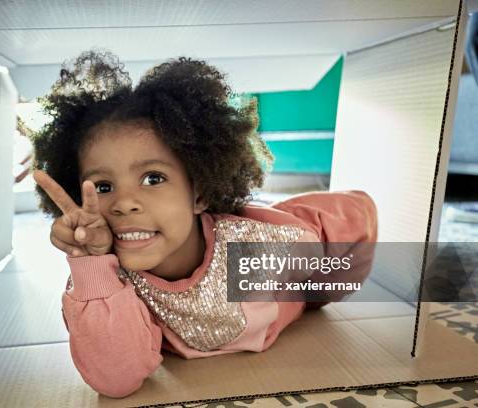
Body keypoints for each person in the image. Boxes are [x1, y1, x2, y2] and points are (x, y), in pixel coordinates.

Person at [31, 50, 378, 398]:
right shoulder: (104, 284)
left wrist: (321, 293)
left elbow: (356, 216)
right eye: (103, 187)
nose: (123, 203)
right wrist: (88, 262)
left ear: (199, 192)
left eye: (153, 178)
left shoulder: (264, 242)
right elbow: (117, 380)